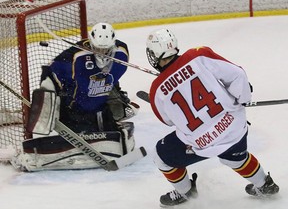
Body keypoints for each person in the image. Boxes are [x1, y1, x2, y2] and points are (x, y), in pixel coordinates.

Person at [145, 28, 279, 206]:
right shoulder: (198, 55)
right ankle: (264, 184)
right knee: (234, 156)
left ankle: (185, 192)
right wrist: (243, 97)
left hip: (201, 142)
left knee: (160, 156)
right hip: (234, 127)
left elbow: (168, 121)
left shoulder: (156, 90)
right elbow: (238, 75)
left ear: (154, 54)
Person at [12, 23, 139, 171]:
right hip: (75, 113)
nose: (102, 53)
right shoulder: (76, 56)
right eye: (98, 49)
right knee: (86, 140)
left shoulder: (121, 54)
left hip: (101, 111)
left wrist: (114, 93)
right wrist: (48, 101)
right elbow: (50, 72)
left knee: (116, 138)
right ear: (91, 44)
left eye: (106, 49)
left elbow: (112, 76)